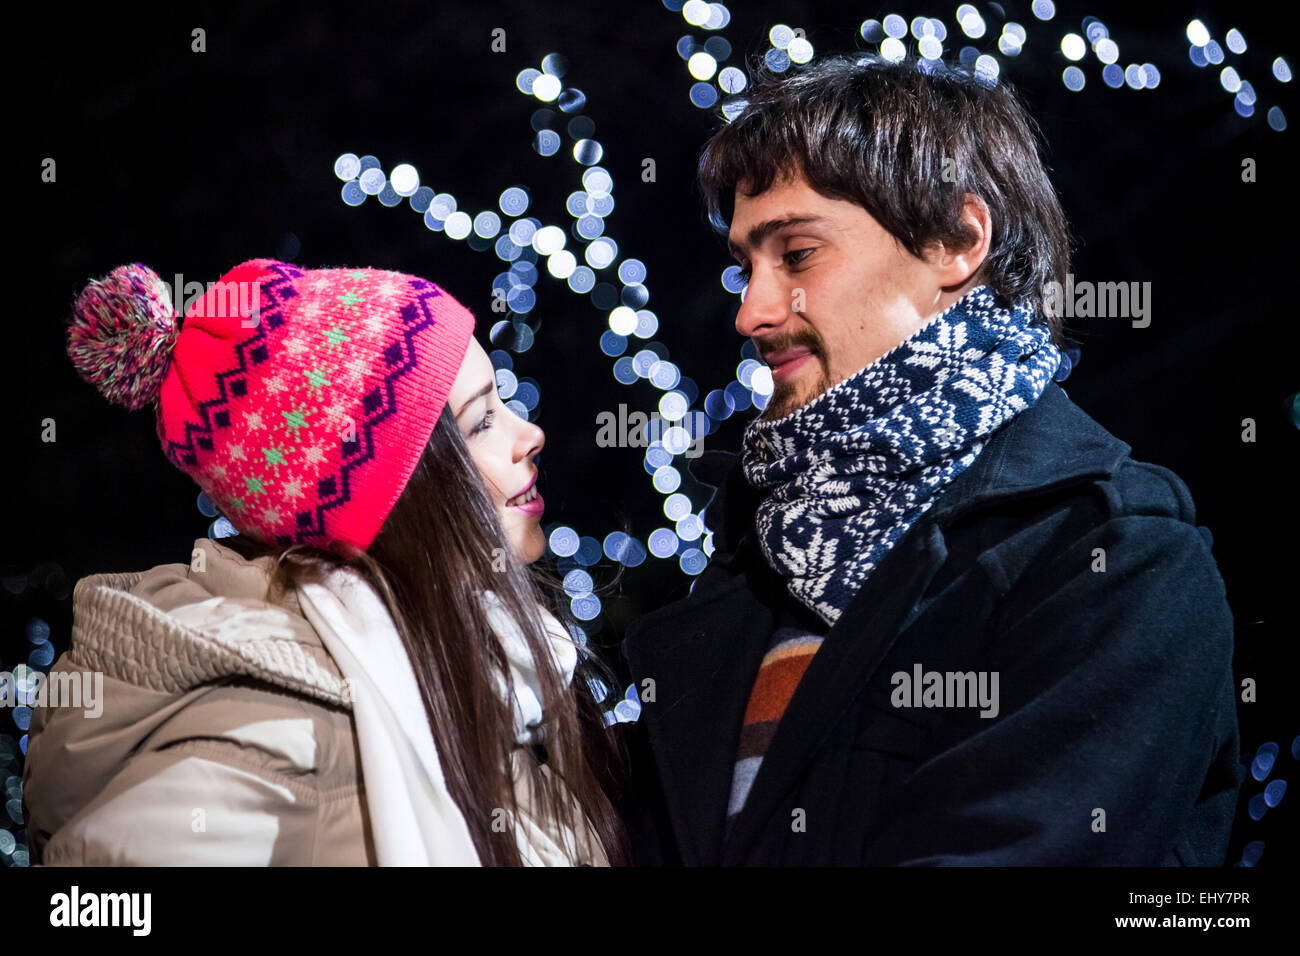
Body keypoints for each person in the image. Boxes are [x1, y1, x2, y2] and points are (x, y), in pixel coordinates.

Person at [622, 55, 1242, 865]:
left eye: (798, 255)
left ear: (957, 239)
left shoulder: (1113, 556)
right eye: (747, 268)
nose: (752, 312)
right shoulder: (759, 561)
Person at [23, 257, 628, 866]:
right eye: (482, 423)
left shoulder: (493, 679)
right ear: (391, 502)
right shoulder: (265, 757)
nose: (531, 435)